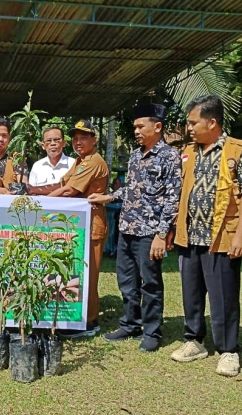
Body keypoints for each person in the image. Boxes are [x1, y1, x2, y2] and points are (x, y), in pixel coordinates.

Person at [169, 95, 242, 377]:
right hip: (190, 236)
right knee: (191, 294)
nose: (189, 128)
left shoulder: (239, 151)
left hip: (222, 237)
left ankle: (228, 349)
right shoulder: (189, 152)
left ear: (212, 122)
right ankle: (194, 340)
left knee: (224, 297)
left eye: (193, 122)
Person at [88, 103, 181, 352]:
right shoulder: (135, 154)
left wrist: (163, 234)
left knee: (149, 283)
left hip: (150, 232)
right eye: (135, 127)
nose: (137, 131)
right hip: (127, 228)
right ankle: (131, 323)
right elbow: (132, 189)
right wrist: (108, 197)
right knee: (127, 281)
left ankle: (152, 331)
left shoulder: (169, 157)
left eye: (141, 126)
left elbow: (174, 198)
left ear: (157, 126)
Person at [47, 119, 109, 338]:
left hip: (92, 224)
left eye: (84, 137)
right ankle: (79, 315)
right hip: (80, 224)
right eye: (75, 138)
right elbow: (63, 184)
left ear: (94, 139)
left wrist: (41, 204)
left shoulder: (93, 161)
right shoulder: (81, 161)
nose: (78, 142)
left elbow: (68, 191)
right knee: (80, 272)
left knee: (89, 274)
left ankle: (90, 322)